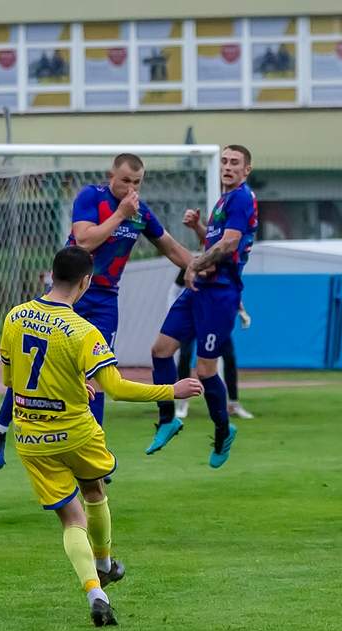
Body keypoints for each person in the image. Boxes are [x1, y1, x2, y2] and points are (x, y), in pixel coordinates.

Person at [0, 246, 203, 627]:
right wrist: (171, 390)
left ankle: (96, 590)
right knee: (93, 491)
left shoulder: (15, 317)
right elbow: (117, 388)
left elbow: (12, 380)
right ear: (86, 282)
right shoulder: (83, 331)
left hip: (31, 436)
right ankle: (105, 562)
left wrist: (69, 385)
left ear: (51, 275)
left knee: (70, 518)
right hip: (76, 432)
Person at [0, 153, 195, 468]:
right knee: (32, 361)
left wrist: (201, 268)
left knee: (98, 375)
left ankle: (93, 453)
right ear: (111, 176)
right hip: (69, 292)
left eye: (137, 182)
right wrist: (120, 215)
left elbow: (172, 248)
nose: (130, 188)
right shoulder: (91, 197)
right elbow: (84, 240)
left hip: (105, 301)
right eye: (125, 180)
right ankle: (0, 429)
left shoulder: (141, 213)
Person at [146, 145, 258, 468]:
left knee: (206, 370)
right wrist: (198, 228)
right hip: (200, 288)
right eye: (224, 161)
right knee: (161, 350)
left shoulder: (242, 197)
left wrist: (194, 265)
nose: (227, 166)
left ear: (247, 170)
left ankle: (223, 431)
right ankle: (167, 419)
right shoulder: (224, 200)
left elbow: (230, 243)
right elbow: (215, 241)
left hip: (220, 294)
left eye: (235, 162)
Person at [170, 266, 255, 420]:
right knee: (185, 355)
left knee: (229, 357)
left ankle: (233, 403)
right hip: (191, 319)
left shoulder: (224, 268)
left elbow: (232, 293)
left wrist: (241, 311)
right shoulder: (192, 264)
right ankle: (182, 402)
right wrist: (176, 314)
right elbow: (175, 290)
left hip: (214, 320)